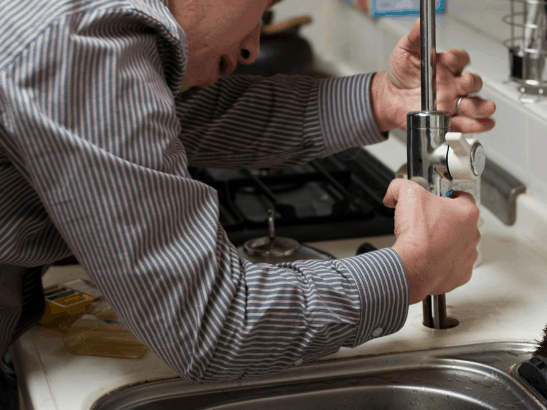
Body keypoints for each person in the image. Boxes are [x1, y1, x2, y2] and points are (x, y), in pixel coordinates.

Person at [0, 0, 496, 392]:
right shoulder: (81, 43)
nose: (254, 48)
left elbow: (190, 118)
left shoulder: (90, 23)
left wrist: (382, 99)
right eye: (261, 9)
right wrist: (413, 269)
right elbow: (213, 327)